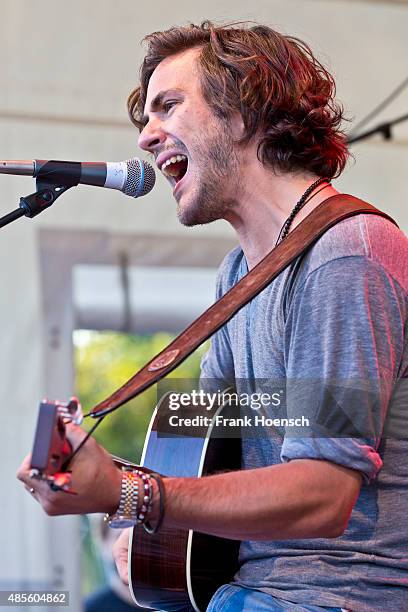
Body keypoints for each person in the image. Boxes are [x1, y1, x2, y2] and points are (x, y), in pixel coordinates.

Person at [18, 21, 408, 612]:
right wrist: (102, 479)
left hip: (332, 598)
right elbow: (207, 443)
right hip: (243, 592)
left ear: (245, 111)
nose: (146, 138)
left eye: (167, 107)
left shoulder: (346, 253)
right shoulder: (237, 276)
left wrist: (132, 493)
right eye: (145, 119)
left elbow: (324, 493)